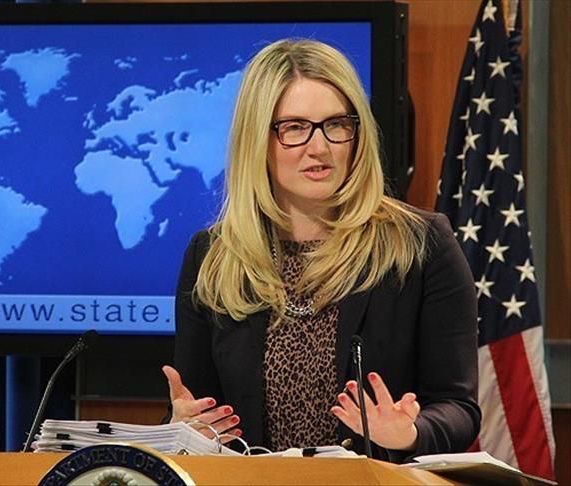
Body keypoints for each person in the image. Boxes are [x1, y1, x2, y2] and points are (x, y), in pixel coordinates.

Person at [162, 39, 480, 462]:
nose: (320, 147)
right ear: (257, 139)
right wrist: (183, 427)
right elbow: (201, 409)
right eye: (295, 128)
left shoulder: (420, 246)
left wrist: (409, 432)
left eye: (336, 124)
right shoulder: (213, 257)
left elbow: (459, 408)